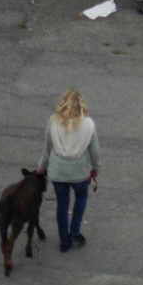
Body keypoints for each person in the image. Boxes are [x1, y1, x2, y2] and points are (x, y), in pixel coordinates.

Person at [36, 89, 101, 253]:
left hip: (58, 172)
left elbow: (47, 149)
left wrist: (41, 167)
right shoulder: (88, 124)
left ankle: (64, 241)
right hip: (78, 173)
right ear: (81, 105)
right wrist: (96, 168)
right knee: (81, 197)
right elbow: (95, 150)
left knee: (62, 205)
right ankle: (75, 232)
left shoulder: (53, 122)